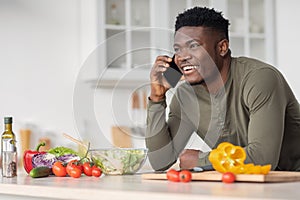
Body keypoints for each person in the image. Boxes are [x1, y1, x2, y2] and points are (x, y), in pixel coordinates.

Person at [146, 6, 300, 171]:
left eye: (193, 46)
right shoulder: (186, 96)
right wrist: (157, 97)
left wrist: (201, 160)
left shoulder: (260, 78)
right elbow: (160, 161)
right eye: (178, 49)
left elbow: (263, 158)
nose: (183, 57)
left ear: (222, 48)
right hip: (244, 186)